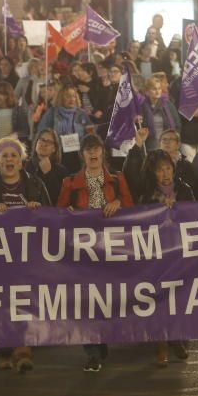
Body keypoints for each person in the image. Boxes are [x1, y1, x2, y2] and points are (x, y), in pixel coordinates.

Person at [57, 134, 134, 373]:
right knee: (86, 301)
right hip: (83, 251)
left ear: (103, 153)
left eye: (96, 149)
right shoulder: (69, 182)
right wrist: (68, 210)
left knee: (108, 299)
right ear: (82, 154)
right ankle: (92, 352)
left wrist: (119, 203)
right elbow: (58, 213)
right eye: (88, 150)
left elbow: (132, 208)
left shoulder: (118, 179)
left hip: (111, 249)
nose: (92, 154)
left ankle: (102, 342)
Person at [0, 138, 49, 373]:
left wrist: (39, 209)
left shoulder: (35, 184)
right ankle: (4, 349)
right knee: (2, 303)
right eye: (4, 156)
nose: (9, 160)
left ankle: (23, 349)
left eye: (13, 156)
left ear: (21, 161)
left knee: (25, 301)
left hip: (27, 257)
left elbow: (52, 214)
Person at [135, 149, 195, 367]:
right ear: (153, 173)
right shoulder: (146, 195)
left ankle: (177, 337)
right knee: (160, 299)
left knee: (179, 297)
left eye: (168, 168)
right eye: (160, 169)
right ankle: (161, 345)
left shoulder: (185, 189)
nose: (165, 173)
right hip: (157, 254)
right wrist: (160, 208)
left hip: (179, 252)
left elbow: (197, 216)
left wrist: (178, 209)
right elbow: (141, 223)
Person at [124, 128, 198, 201]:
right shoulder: (148, 165)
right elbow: (131, 175)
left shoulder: (186, 169)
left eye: (171, 139)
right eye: (164, 139)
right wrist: (138, 144)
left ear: (178, 144)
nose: (167, 142)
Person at [37, 85, 92, 174]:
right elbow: (41, 132)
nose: (71, 99)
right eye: (68, 96)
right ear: (61, 98)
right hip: (59, 154)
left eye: (73, 96)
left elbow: (90, 134)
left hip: (78, 155)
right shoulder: (52, 112)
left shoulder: (81, 113)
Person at [26, 129, 70, 207]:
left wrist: (48, 174)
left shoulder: (62, 170)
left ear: (54, 149)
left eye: (49, 142)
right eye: (42, 140)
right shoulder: (25, 166)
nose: (44, 144)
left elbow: (62, 199)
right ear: (36, 142)